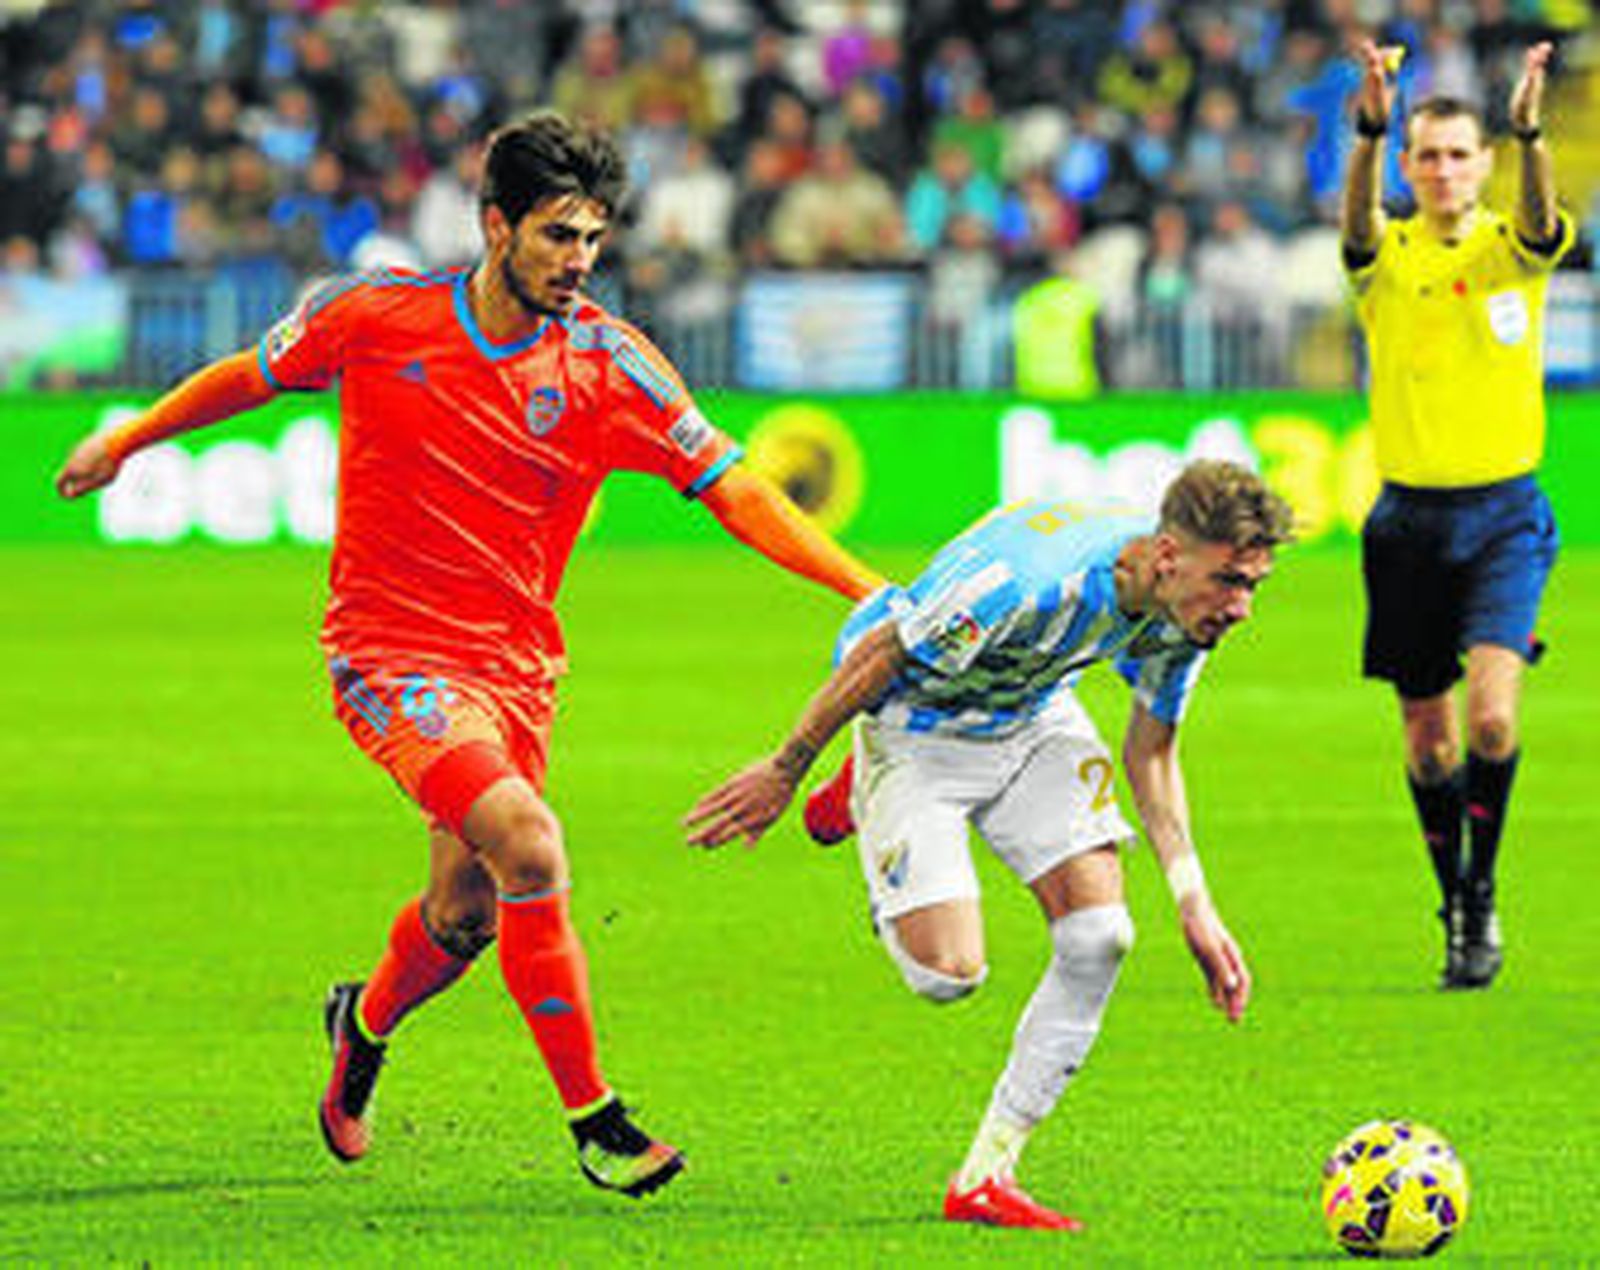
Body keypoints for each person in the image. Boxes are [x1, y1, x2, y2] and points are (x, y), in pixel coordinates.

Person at [55, 110, 882, 1199]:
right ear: (495, 226)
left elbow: (739, 491)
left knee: (464, 915)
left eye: (592, 239)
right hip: (388, 655)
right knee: (531, 845)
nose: (578, 263)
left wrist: (866, 590)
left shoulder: (611, 365)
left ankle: (364, 1021)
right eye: (556, 236)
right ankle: (598, 1119)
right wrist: (126, 437)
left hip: (514, 673)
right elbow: (248, 376)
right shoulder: (379, 316)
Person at [685, 461, 1295, 1230]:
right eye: (1232, 581)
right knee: (949, 975)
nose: (1241, 608)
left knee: (1103, 935)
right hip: (914, 723)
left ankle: (986, 1175)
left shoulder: (1183, 618)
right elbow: (881, 653)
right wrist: (785, 768)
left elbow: (1152, 753)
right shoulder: (1026, 582)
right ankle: (862, 782)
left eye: (1253, 586)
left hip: (1032, 716)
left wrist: (1195, 905)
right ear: (1170, 555)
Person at [1339, 41, 1573, 990]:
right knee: (1429, 744)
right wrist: (1366, 131)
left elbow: (1546, 218)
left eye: (1459, 153)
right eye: (1426, 154)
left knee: (1491, 724)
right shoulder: (1385, 258)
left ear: (1485, 163)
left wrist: (1531, 131)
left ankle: (1481, 896)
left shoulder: (1512, 251)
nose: (1442, 169)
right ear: (1408, 166)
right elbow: (1351, 226)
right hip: (1407, 528)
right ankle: (1459, 901)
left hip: (1505, 517)